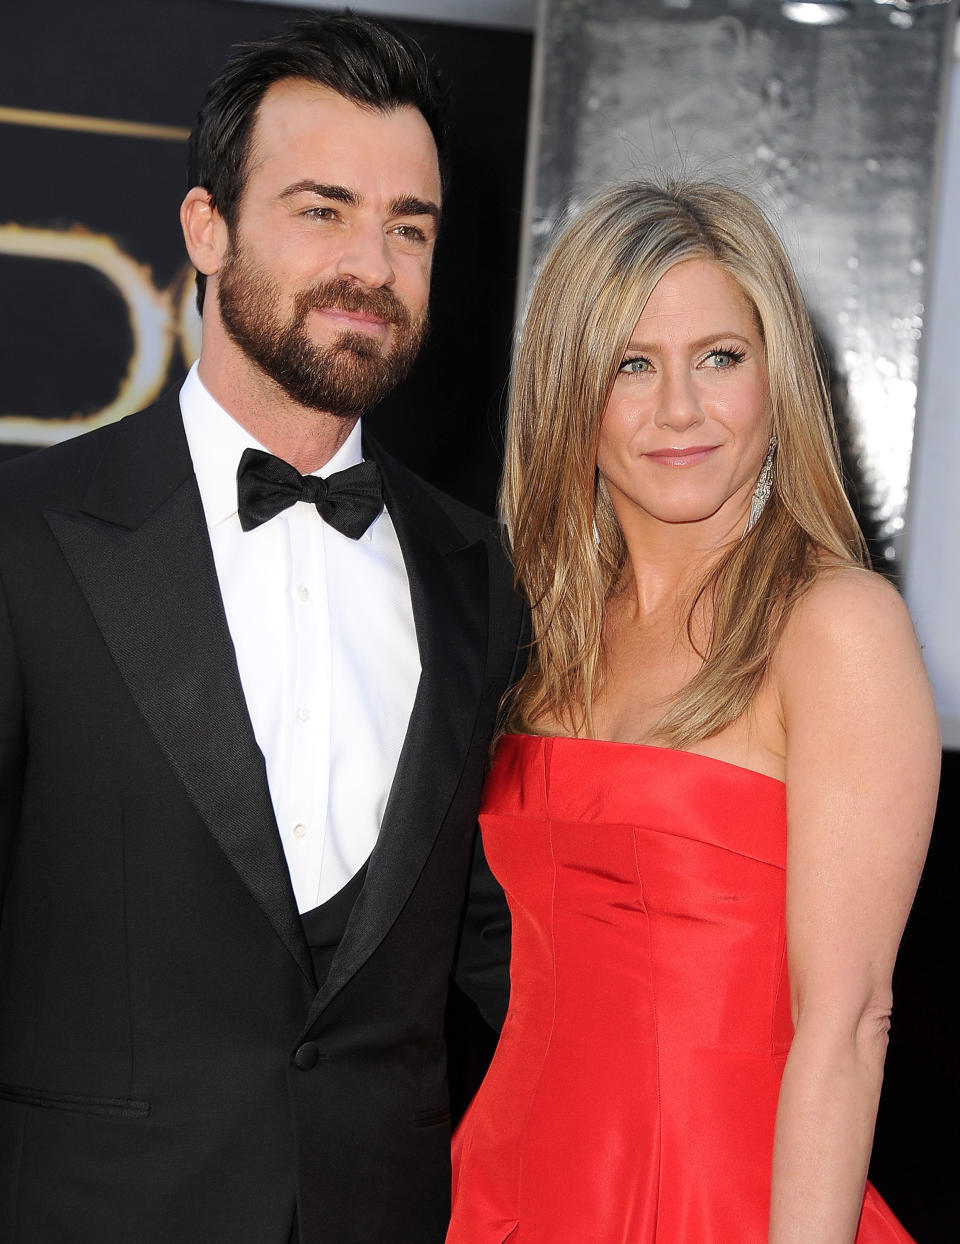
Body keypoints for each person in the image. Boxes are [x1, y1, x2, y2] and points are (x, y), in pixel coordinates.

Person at [0, 14, 524, 1244]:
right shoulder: (26, 537)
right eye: (323, 208)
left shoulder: (484, 577)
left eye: (411, 226)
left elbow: (508, 947)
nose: (374, 264)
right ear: (205, 229)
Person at [446, 180, 939, 1243]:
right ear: (569, 395)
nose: (680, 408)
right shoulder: (534, 631)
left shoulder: (834, 626)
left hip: (732, 1205)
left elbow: (846, 1022)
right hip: (511, 1188)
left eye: (720, 356)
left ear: (776, 380)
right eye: (632, 364)